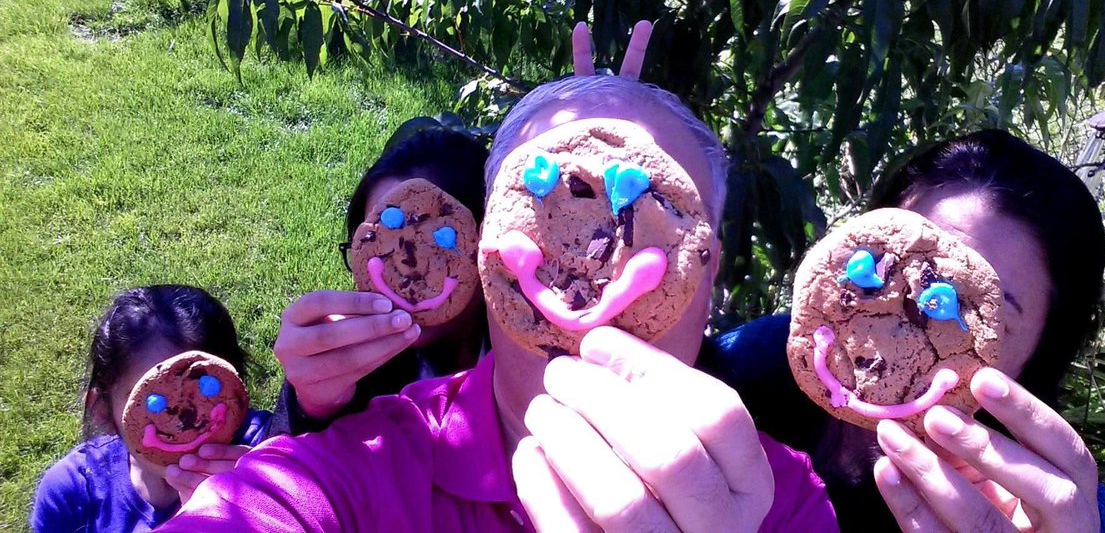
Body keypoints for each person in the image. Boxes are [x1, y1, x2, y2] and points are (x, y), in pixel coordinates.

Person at [158, 65, 839, 531]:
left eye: (658, 213)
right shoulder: (361, 467)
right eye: (547, 203)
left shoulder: (779, 504)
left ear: (709, 272)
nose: (594, 259)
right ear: (485, 255)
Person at [701, 129, 1105, 532]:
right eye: (887, 271)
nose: (906, 327)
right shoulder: (748, 366)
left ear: (1039, 356)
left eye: (972, 313)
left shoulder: (1057, 514)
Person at [268, 126, 490, 435]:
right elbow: (295, 453)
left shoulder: (530, 362)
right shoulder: (354, 362)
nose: (405, 263)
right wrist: (313, 403)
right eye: (379, 243)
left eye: (437, 242)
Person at [29, 285, 272, 533]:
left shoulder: (270, 462)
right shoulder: (72, 494)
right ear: (102, 410)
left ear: (235, 391)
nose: (184, 418)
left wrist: (262, 511)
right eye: (154, 403)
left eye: (206, 389)